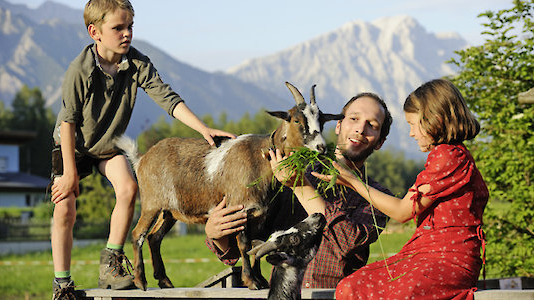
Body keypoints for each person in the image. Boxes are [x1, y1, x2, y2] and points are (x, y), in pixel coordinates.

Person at [49, 0, 235, 299]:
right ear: (94, 32)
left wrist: (203, 128)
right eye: (118, 28)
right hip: (72, 143)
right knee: (64, 208)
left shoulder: (137, 63)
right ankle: (62, 283)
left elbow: (167, 97)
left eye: (130, 27)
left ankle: (111, 261)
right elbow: (69, 122)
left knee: (128, 188)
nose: (127, 34)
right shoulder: (79, 69)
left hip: (107, 144)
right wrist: (70, 173)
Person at [317, 79, 488, 299]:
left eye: (413, 124)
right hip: (426, 254)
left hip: (447, 257)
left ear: (434, 120)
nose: (411, 133)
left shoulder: (448, 156)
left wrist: (353, 181)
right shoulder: (449, 155)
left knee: (399, 293)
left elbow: (403, 211)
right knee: (352, 286)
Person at [205, 92, 394, 288]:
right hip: (280, 293)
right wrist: (216, 234)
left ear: (380, 141)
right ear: (338, 125)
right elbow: (251, 238)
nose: (360, 129)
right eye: (353, 119)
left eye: (372, 125)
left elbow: (346, 242)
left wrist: (300, 186)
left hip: (333, 295)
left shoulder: (378, 198)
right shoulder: (290, 172)